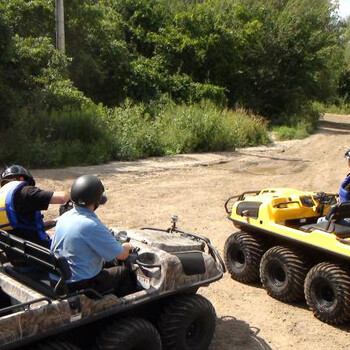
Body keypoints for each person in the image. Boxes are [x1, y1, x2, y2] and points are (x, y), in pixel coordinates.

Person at [50, 175, 136, 297]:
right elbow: (121, 255)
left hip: (60, 278)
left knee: (108, 263)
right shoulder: (91, 225)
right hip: (80, 284)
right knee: (124, 273)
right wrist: (126, 246)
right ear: (96, 202)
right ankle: (125, 312)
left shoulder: (64, 217)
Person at [0, 165, 69, 248]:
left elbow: (23, 228)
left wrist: (55, 221)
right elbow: (62, 198)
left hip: (16, 253)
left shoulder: (3, 200)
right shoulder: (26, 191)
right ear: (22, 179)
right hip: (41, 253)